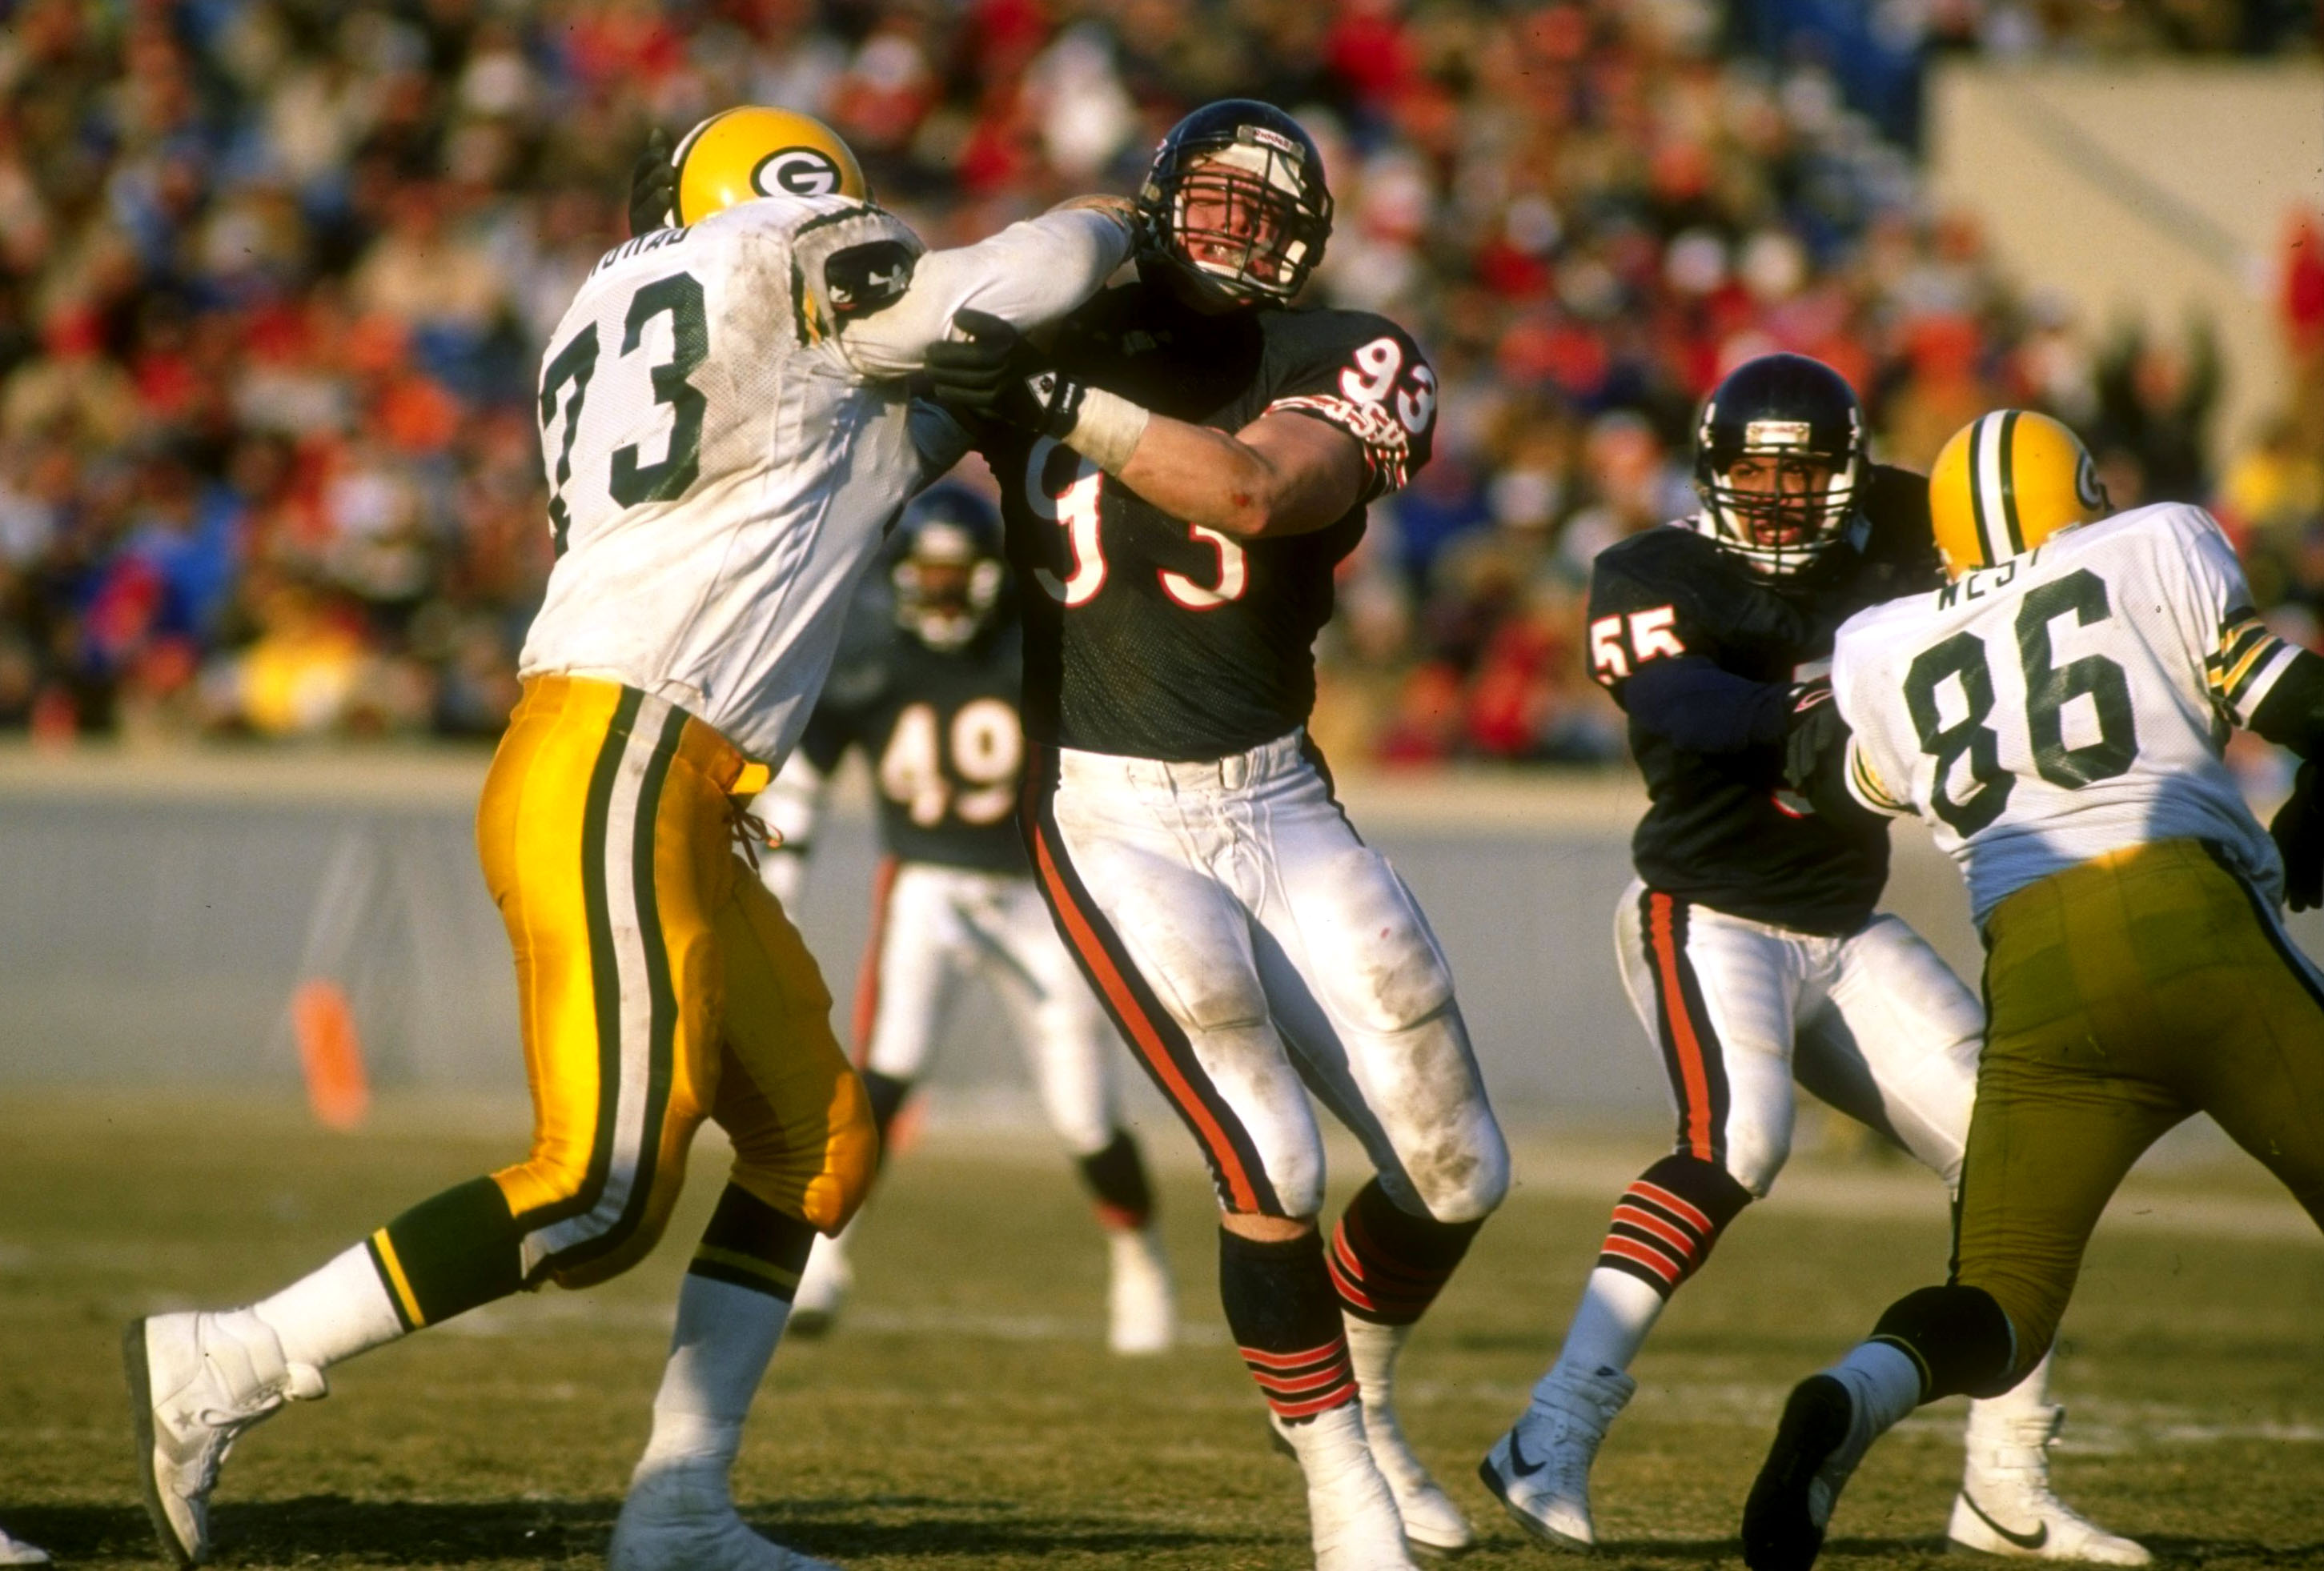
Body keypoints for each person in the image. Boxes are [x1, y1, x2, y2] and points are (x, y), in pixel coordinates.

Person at [123, 107, 1138, 1571]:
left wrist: (965, 413)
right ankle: (234, 1355)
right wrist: (1112, 222)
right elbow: (1005, 283)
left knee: (817, 1141)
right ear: (793, 186)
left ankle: (680, 1507)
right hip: (625, 755)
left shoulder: (625, 307)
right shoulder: (786, 240)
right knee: (598, 1185)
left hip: (653, 767)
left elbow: (823, 484)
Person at [927, 99, 1507, 1571]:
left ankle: (1353, 1397)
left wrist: (1050, 394)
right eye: (1215, 200)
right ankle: (1340, 1492)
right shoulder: (1068, 321)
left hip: (1277, 794)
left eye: (1267, 212)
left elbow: (1255, 489)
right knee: (1274, 1159)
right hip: (1106, 809)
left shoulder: (1349, 350)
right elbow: (879, 451)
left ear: (1309, 240)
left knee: (1457, 1170)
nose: (1236, 231)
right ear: (1155, 198)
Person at [1476, 357, 2143, 1565]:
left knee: (2019, 1163)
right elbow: (1690, 711)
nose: (1779, 497)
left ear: (1849, 471)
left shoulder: (1903, 520)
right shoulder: (1650, 573)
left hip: (1844, 924)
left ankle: (2003, 1483)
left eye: (1804, 472)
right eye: (1755, 471)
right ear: (1709, 473)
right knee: (1736, 1143)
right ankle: (1549, 1429)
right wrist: (1852, 711)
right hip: (1706, 911)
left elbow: (2027, 538)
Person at [1743, 409, 2324, 1571]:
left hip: (2037, 975)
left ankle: (1851, 1395)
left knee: (1998, 1301)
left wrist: (1799, 728)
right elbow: (2297, 702)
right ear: (2083, 494)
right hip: (2186, 923)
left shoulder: (1887, 642)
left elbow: (1835, 779)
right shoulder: (2151, 545)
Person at [751, 485, 1176, 1353]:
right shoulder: (871, 651)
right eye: (930, 575)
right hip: (925, 888)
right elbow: (801, 780)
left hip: (1038, 895)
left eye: (956, 576)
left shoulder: (1036, 647)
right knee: (883, 1079)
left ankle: (1138, 1259)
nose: (942, 593)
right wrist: (778, 882)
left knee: (1084, 1114)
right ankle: (823, 1259)